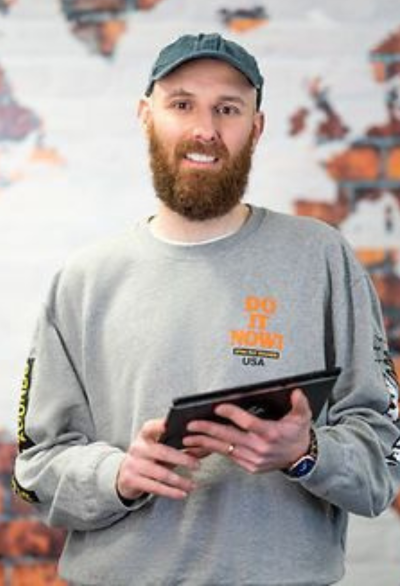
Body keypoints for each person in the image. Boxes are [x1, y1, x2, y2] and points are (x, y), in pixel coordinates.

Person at [13, 32, 400, 586]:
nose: (205, 129)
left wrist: (307, 451)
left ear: (256, 127)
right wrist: (117, 475)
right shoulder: (84, 280)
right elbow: (36, 467)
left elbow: (383, 457)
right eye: (181, 104)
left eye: (228, 109)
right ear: (145, 116)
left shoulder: (322, 258)